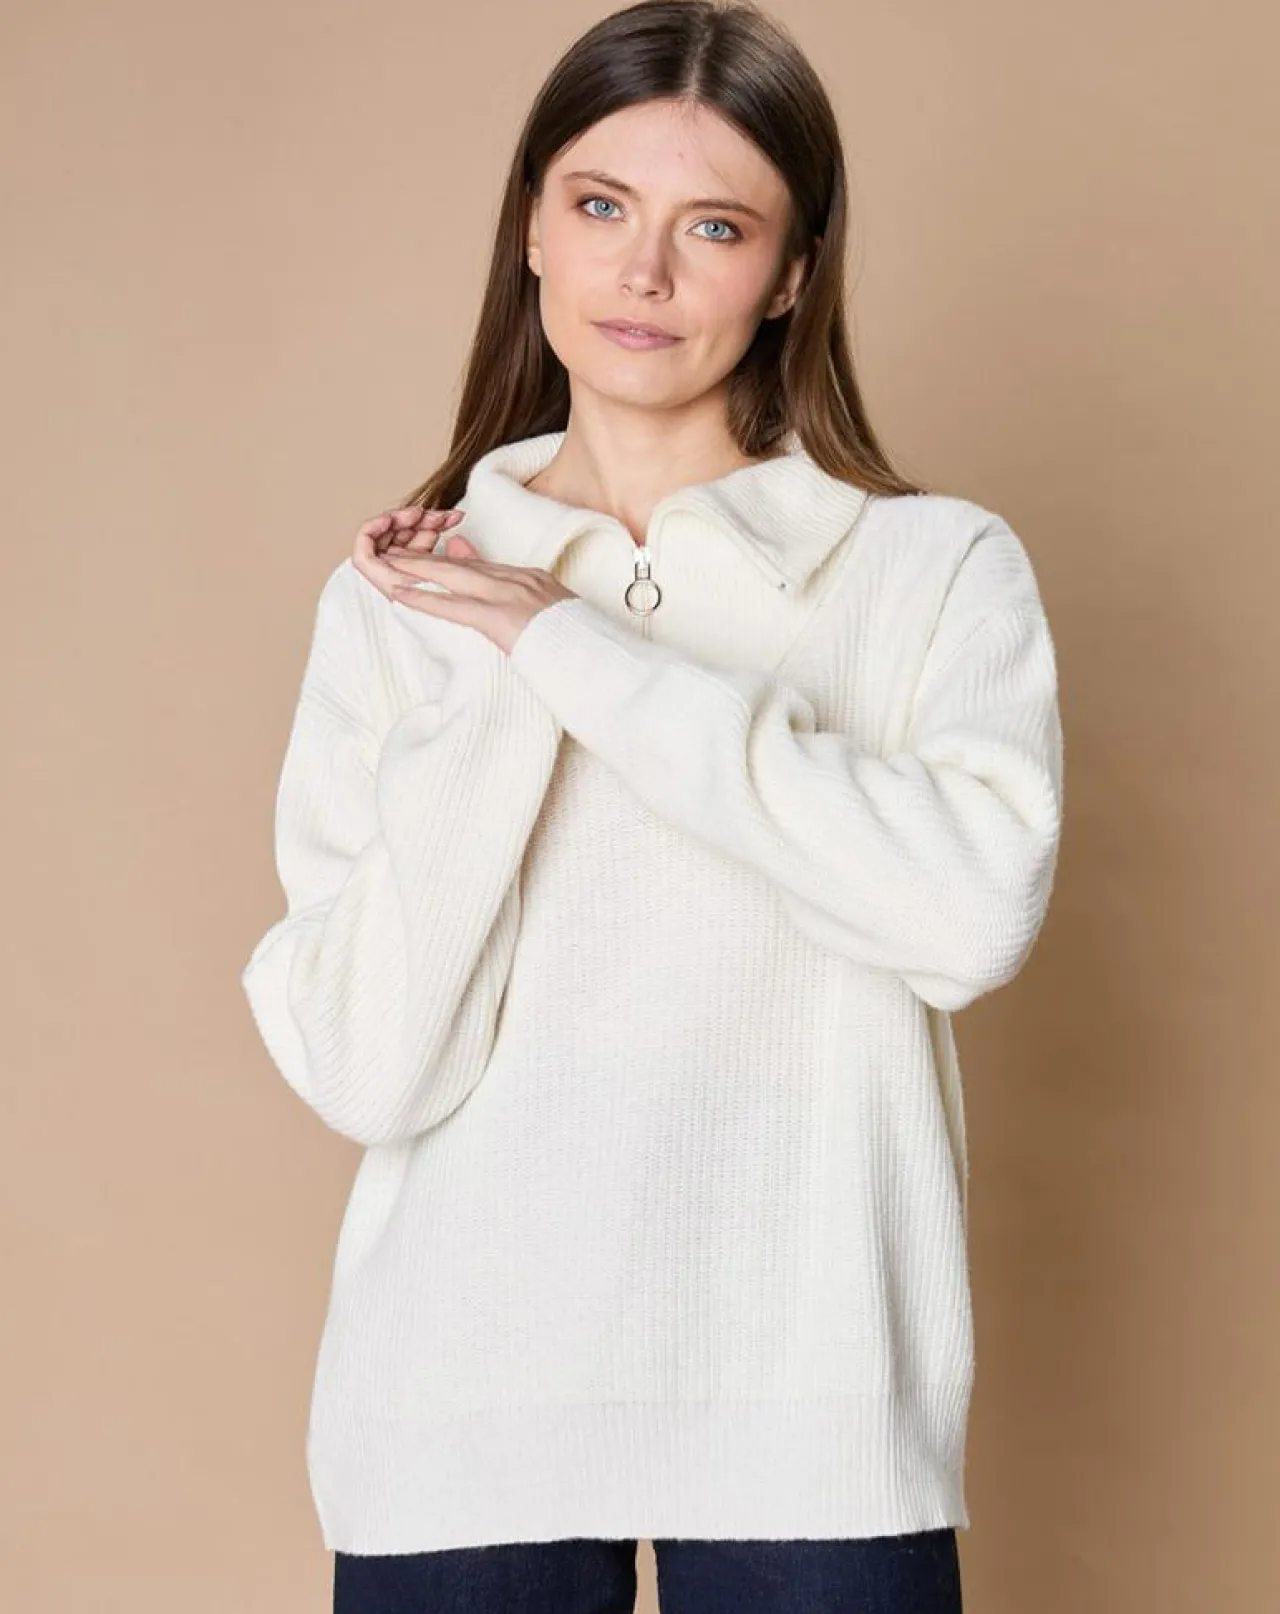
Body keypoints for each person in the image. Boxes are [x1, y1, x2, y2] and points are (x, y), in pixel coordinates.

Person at [239, 2, 1065, 1609]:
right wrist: (495, 650)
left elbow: (969, 919)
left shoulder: (934, 568)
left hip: (814, 1408)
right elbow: (364, 1061)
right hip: (455, 1402)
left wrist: (572, 646)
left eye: (716, 227)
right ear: (532, 229)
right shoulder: (401, 600)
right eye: (602, 204)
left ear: (795, 272)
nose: (644, 272)